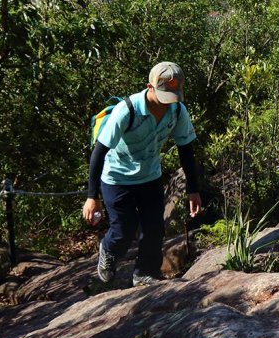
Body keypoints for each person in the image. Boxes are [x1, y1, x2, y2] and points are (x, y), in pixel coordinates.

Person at [83, 61, 202, 286]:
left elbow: (186, 149)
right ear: (150, 87)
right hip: (117, 178)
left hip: (150, 177)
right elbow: (99, 152)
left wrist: (193, 190)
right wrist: (92, 197)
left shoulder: (177, 110)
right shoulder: (127, 111)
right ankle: (108, 250)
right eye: (165, 96)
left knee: (154, 228)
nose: (169, 102)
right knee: (124, 229)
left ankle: (144, 274)